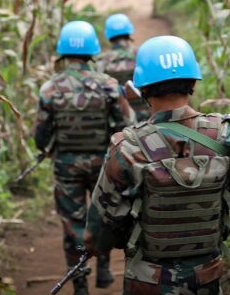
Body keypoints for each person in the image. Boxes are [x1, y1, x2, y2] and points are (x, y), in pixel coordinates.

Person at [84, 35, 230, 294]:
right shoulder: (226, 133)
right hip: (206, 277)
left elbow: (100, 231)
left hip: (147, 280)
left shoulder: (127, 146)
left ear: (143, 89)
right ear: (192, 82)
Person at [35, 20, 134, 295]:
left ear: (62, 52)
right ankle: (103, 267)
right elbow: (126, 123)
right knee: (102, 215)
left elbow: (40, 136)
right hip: (104, 163)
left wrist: (49, 147)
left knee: (73, 223)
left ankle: (80, 283)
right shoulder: (109, 85)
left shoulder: (50, 88)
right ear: (92, 50)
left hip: (66, 165)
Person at [96, 13, 150, 122]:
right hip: (147, 116)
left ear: (108, 35)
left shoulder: (101, 61)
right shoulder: (143, 54)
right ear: (129, 31)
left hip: (119, 119)